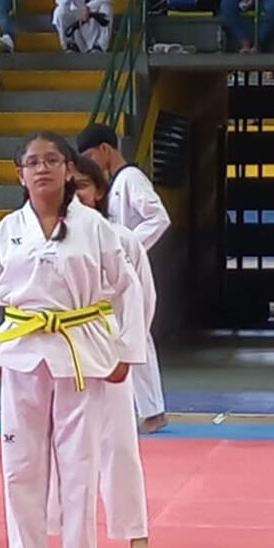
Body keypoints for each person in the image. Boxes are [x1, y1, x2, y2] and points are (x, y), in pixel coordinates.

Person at [0, 132, 146, 548]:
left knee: (79, 465)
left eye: (52, 160)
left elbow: (129, 288)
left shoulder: (95, 228)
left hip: (79, 353)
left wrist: (126, 350)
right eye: (32, 162)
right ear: (19, 173)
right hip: (21, 352)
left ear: (67, 170)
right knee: (20, 466)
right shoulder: (8, 229)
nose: (42, 169)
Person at [45, 153, 153, 548]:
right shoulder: (45, 236)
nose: (74, 195)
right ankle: (64, 528)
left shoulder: (122, 238)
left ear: (100, 191)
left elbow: (141, 297)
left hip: (106, 342)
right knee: (62, 445)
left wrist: (128, 349)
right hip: (61, 346)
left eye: (82, 187)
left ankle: (134, 529)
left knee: (119, 443)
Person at [75, 123, 170, 433]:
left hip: (129, 265)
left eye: (91, 155)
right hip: (114, 268)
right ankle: (139, 407)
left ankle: (153, 410)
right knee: (122, 336)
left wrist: (129, 247)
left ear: (105, 149)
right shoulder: (112, 184)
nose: (89, 162)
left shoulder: (131, 179)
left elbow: (158, 217)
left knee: (136, 335)